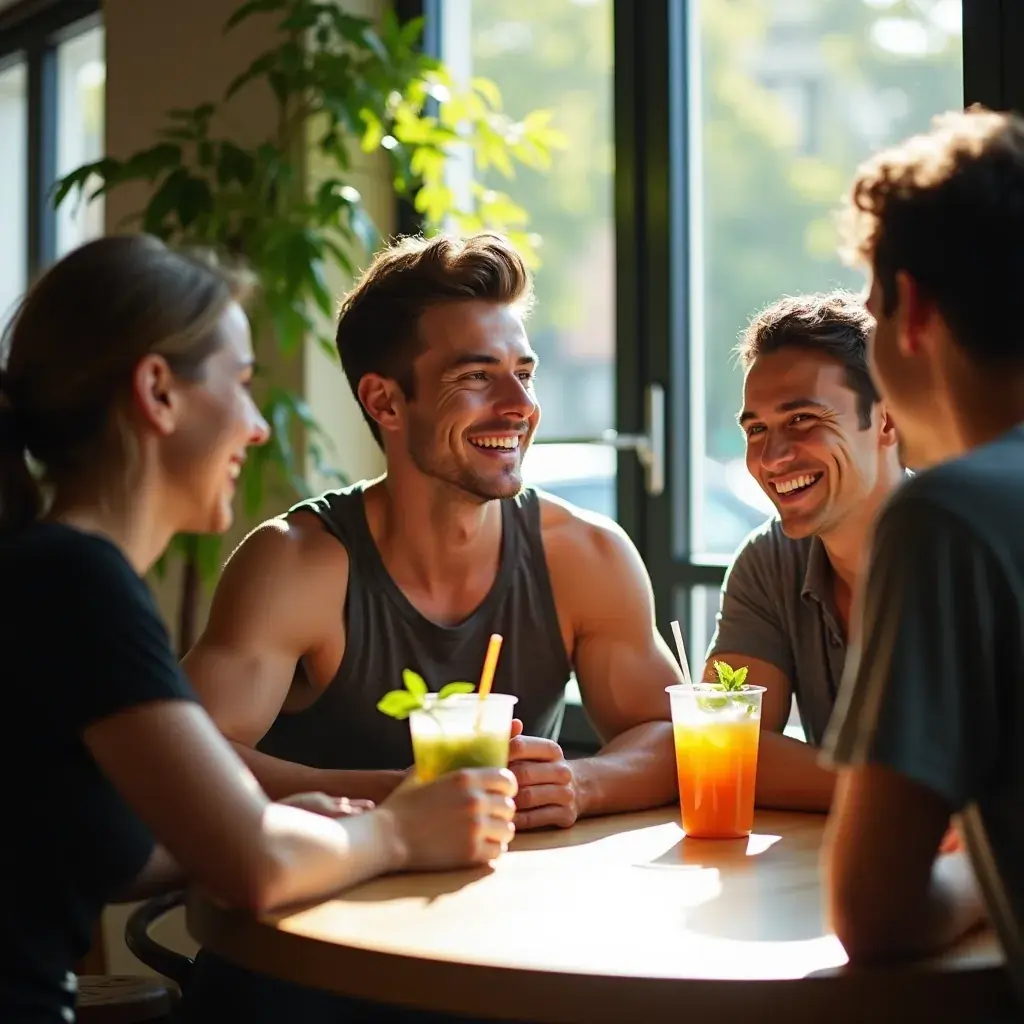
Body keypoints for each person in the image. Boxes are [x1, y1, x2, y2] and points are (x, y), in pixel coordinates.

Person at [0, 235, 517, 1024]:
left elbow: (78, 845)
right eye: (241, 385)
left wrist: (296, 818)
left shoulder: (50, 571)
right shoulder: (77, 583)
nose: (257, 428)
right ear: (158, 392)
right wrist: (398, 832)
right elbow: (254, 869)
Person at [177, 232, 681, 1020]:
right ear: (385, 401)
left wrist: (582, 783)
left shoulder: (585, 555)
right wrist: (401, 801)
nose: (520, 407)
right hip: (303, 971)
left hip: (491, 954)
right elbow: (190, 767)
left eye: (524, 373)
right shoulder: (297, 565)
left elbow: (676, 734)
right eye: (476, 377)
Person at [821, 105, 1024, 989]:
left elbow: (876, 912)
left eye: (871, 313)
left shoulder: (948, 517)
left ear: (912, 310)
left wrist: (976, 873)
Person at [702, 291, 905, 811]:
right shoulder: (769, 561)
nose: (772, 458)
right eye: (756, 430)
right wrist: (899, 796)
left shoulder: (967, 549)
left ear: (886, 420)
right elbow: (724, 747)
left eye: (802, 420)